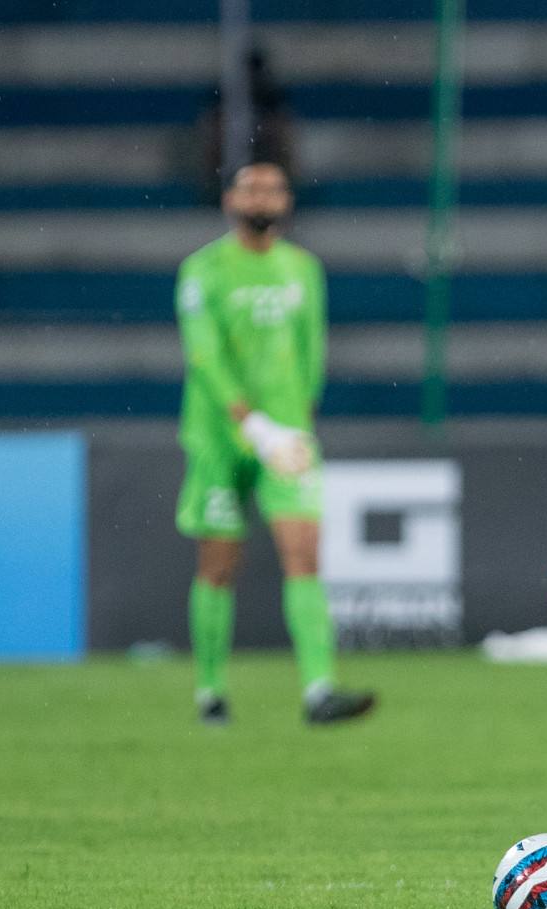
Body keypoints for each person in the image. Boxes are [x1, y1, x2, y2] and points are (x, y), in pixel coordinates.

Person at [175, 162, 376, 727]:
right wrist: (252, 426)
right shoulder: (204, 270)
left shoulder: (303, 269)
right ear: (229, 200)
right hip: (220, 437)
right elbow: (203, 358)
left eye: (273, 188)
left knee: (304, 556)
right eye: (250, 187)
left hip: (287, 437)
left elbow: (312, 350)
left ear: (286, 203)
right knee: (217, 564)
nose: (262, 196)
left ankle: (319, 691)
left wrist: (296, 422)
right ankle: (210, 692)